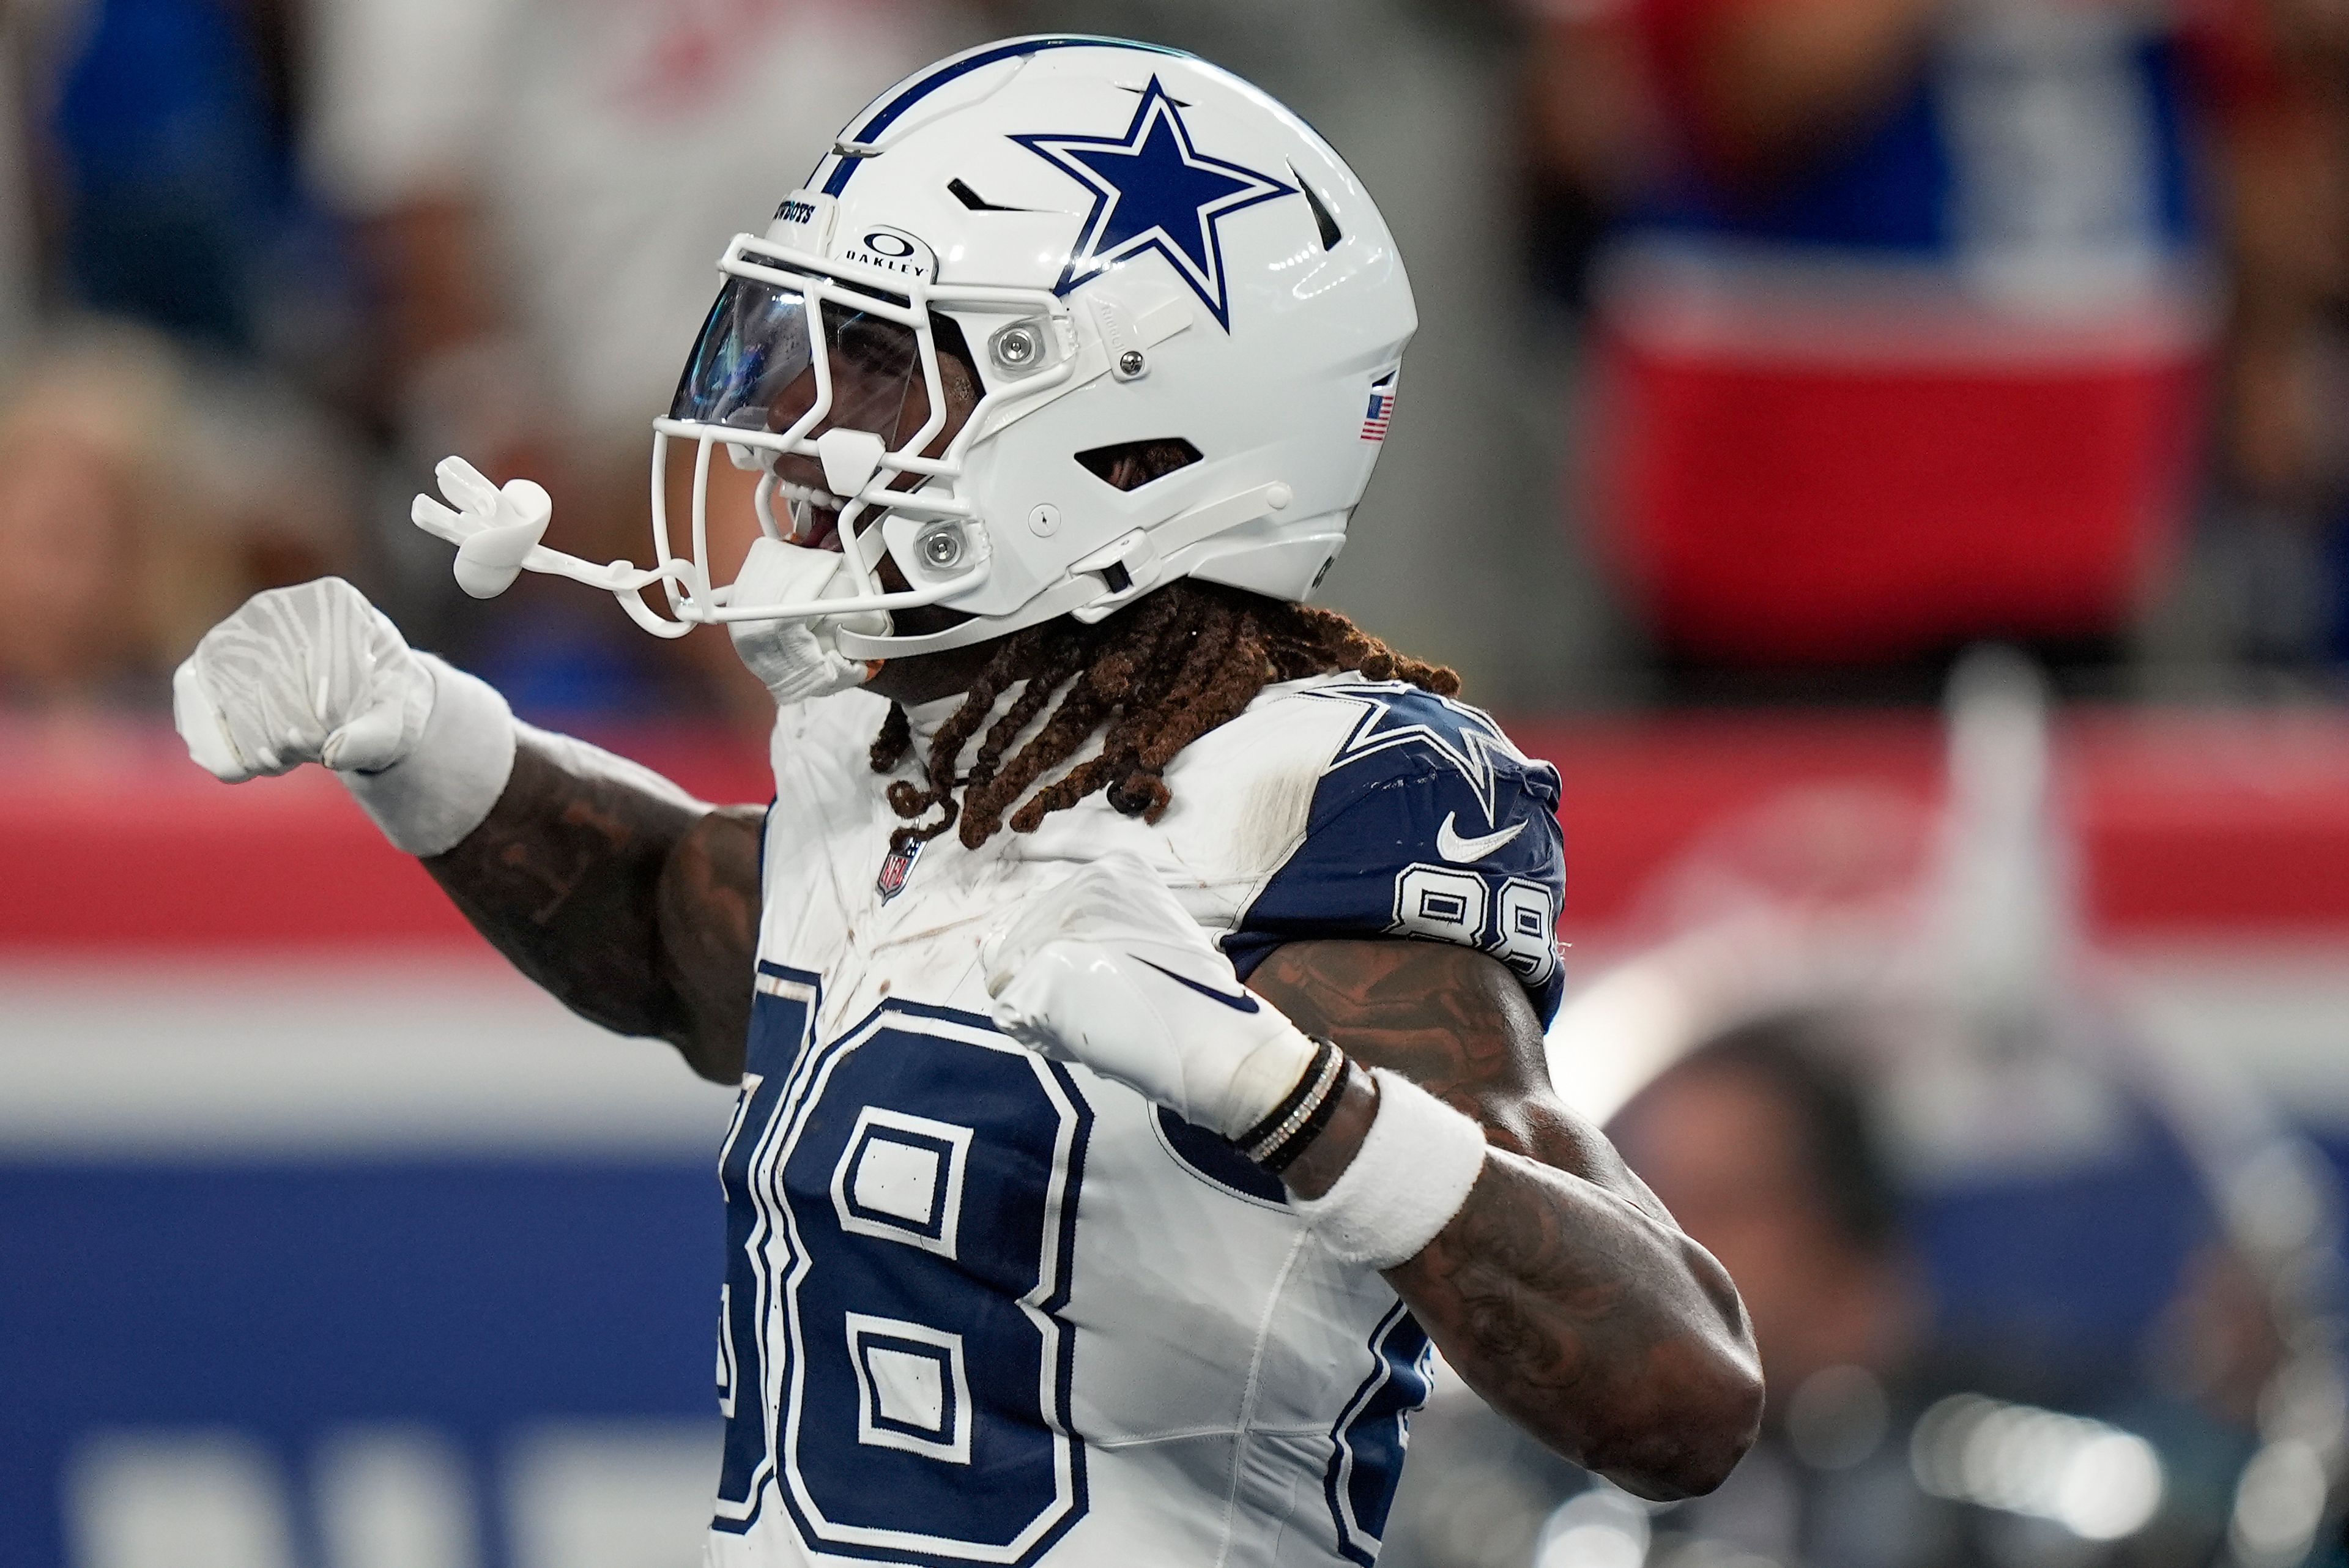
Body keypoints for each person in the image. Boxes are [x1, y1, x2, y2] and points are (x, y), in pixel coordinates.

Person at [169, 37, 1763, 1566]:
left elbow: (1675, 1391)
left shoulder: (1306, 795)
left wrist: (1280, 1089)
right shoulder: (906, 742)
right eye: (814, 342)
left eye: (882, 363)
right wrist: (425, 736)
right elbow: (685, 930)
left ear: (1137, 439)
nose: (802, 422)